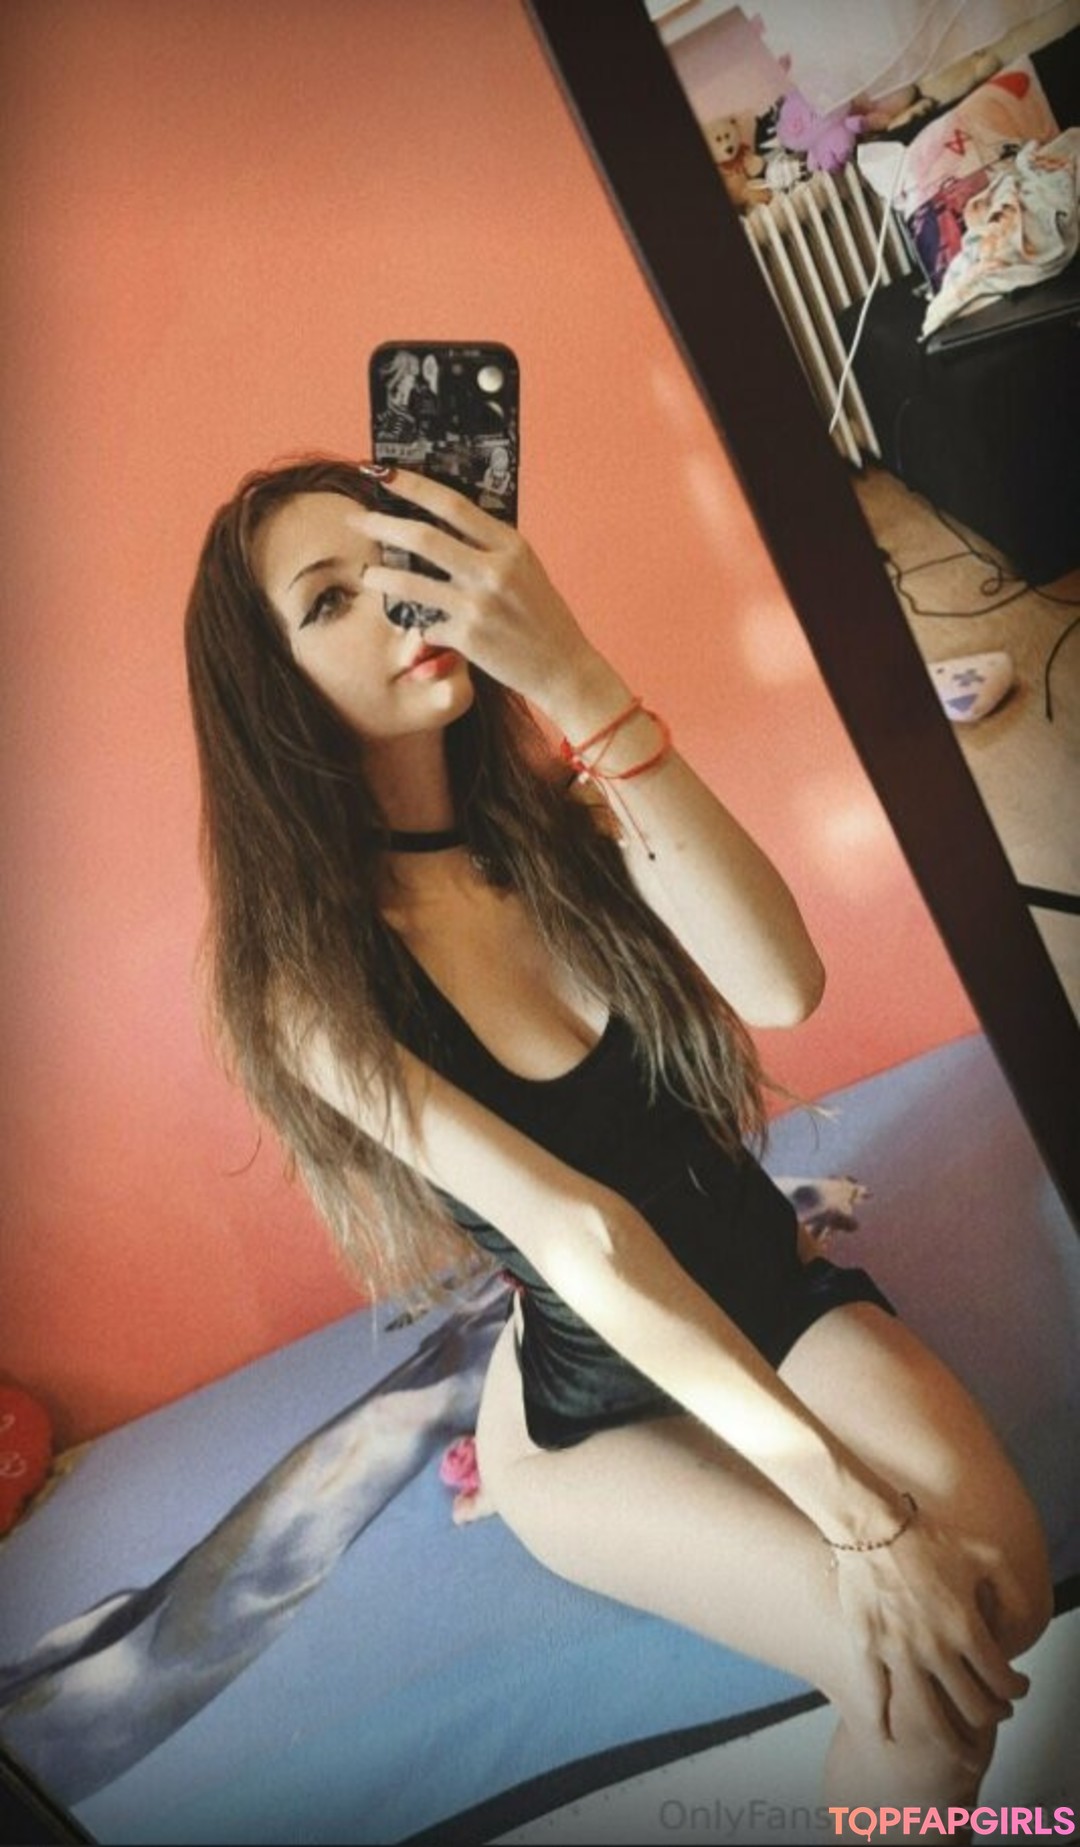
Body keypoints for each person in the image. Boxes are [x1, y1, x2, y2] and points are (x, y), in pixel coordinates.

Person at [184, 454, 1052, 1823]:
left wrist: (575, 675)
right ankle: (503, 1442)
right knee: (917, 1695)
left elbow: (782, 986)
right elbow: (582, 1234)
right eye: (330, 599)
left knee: (1003, 1595)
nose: (398, 602)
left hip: (763, 1284)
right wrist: (861, 1522)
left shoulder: (572, 828)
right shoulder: (309, 988)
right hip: (590, 1405)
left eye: (399, 560)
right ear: (266, 693)